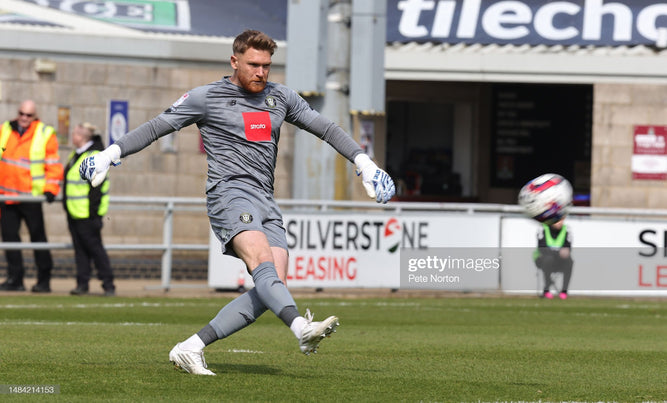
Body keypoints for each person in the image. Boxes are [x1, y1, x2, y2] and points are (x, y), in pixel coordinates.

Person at [80, 30, 395, 375]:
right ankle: (301, 329)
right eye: (253, 64)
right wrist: (109, 154)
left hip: (265, 199)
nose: (261, 72)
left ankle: (191, 347)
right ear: (234, 61)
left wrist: (365, 163)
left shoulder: (281, 97)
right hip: (229, 194)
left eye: (267, 66)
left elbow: (327, 128)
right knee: (262, 262)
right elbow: (157, 127)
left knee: (272, 286)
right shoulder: (206, 97)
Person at [0, 100, 63, 292]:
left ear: (34, 116)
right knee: (10, 239)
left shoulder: (44, 133)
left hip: (31, 197)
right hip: (7, 195)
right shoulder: (5, 129)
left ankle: (44, 280)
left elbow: (53, 164)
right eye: (21, 113)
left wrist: (51, 189)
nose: (24, 118)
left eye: (28, 115)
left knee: (38, 238)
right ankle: (15, 279)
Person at [63, 123, 115, 297]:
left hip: (87, 214)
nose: (72, 137)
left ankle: (108, 284)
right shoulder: (77, 154)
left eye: (74, 134)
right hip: (75, 212)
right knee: (81, 251)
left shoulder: (93, 156)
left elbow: (96, 188)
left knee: (95, 250)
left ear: (81, 137)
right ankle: (82, 284)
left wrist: (93, 213)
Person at [533, 218, 573, 299]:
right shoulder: (543, 228)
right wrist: (558, 252)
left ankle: (564, 291)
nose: (559, 222)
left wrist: (565, 252)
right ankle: (546, 290)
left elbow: (568, 247)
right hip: (542, 259)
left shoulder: (566, 229)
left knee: (569, 261)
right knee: (548, 259)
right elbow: (542, 248)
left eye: (561, 220)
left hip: (558, 260)